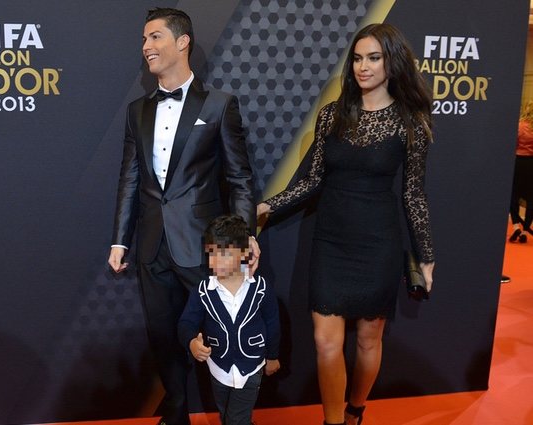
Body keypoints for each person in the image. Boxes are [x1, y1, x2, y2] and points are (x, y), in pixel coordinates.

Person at [257, 24, 435, 425]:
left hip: (378, 243)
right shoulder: (332, 115)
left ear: (392, 61)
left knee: (370, 340)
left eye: (373, 58)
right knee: (324, 342)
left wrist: (426, 257)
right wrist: (266, 206)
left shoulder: (410, 120)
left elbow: (414, 194)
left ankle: (356, 408)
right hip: (331, 241)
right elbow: (312, 180)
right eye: (357, 58)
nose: (363, 67)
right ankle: (333, 421)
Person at [108, 8, 259, 425]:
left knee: (222, 336)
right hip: (152, 246)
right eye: (143, 40)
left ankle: (234, 416)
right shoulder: (137, 111)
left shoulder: (219, 105)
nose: (146, 47)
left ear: (182, 41)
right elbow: (130, 177)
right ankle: (176, 411)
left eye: (154, 37)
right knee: (162, 335)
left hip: (204, 249)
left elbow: (239, 178)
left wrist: (243, 238)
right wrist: (121, 239)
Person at [178, 215, 280, 425]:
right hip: (219, 367)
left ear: (244, 252)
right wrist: (191, 342)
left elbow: (272, 322)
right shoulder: (203, 291)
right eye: (212, 254)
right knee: (225, 414)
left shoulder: (260, 288)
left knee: (236, 419)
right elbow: (186, 322)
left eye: (224, 254)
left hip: (251, 366)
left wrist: (272, 356)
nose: (216, 261)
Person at [508, 101, 533, 243]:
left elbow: (512, 144)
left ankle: (516, 226)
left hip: (518, 163)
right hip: (531, 164)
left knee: (513, 195)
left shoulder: (520, 125)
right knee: (531, 199)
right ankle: (525, 230)